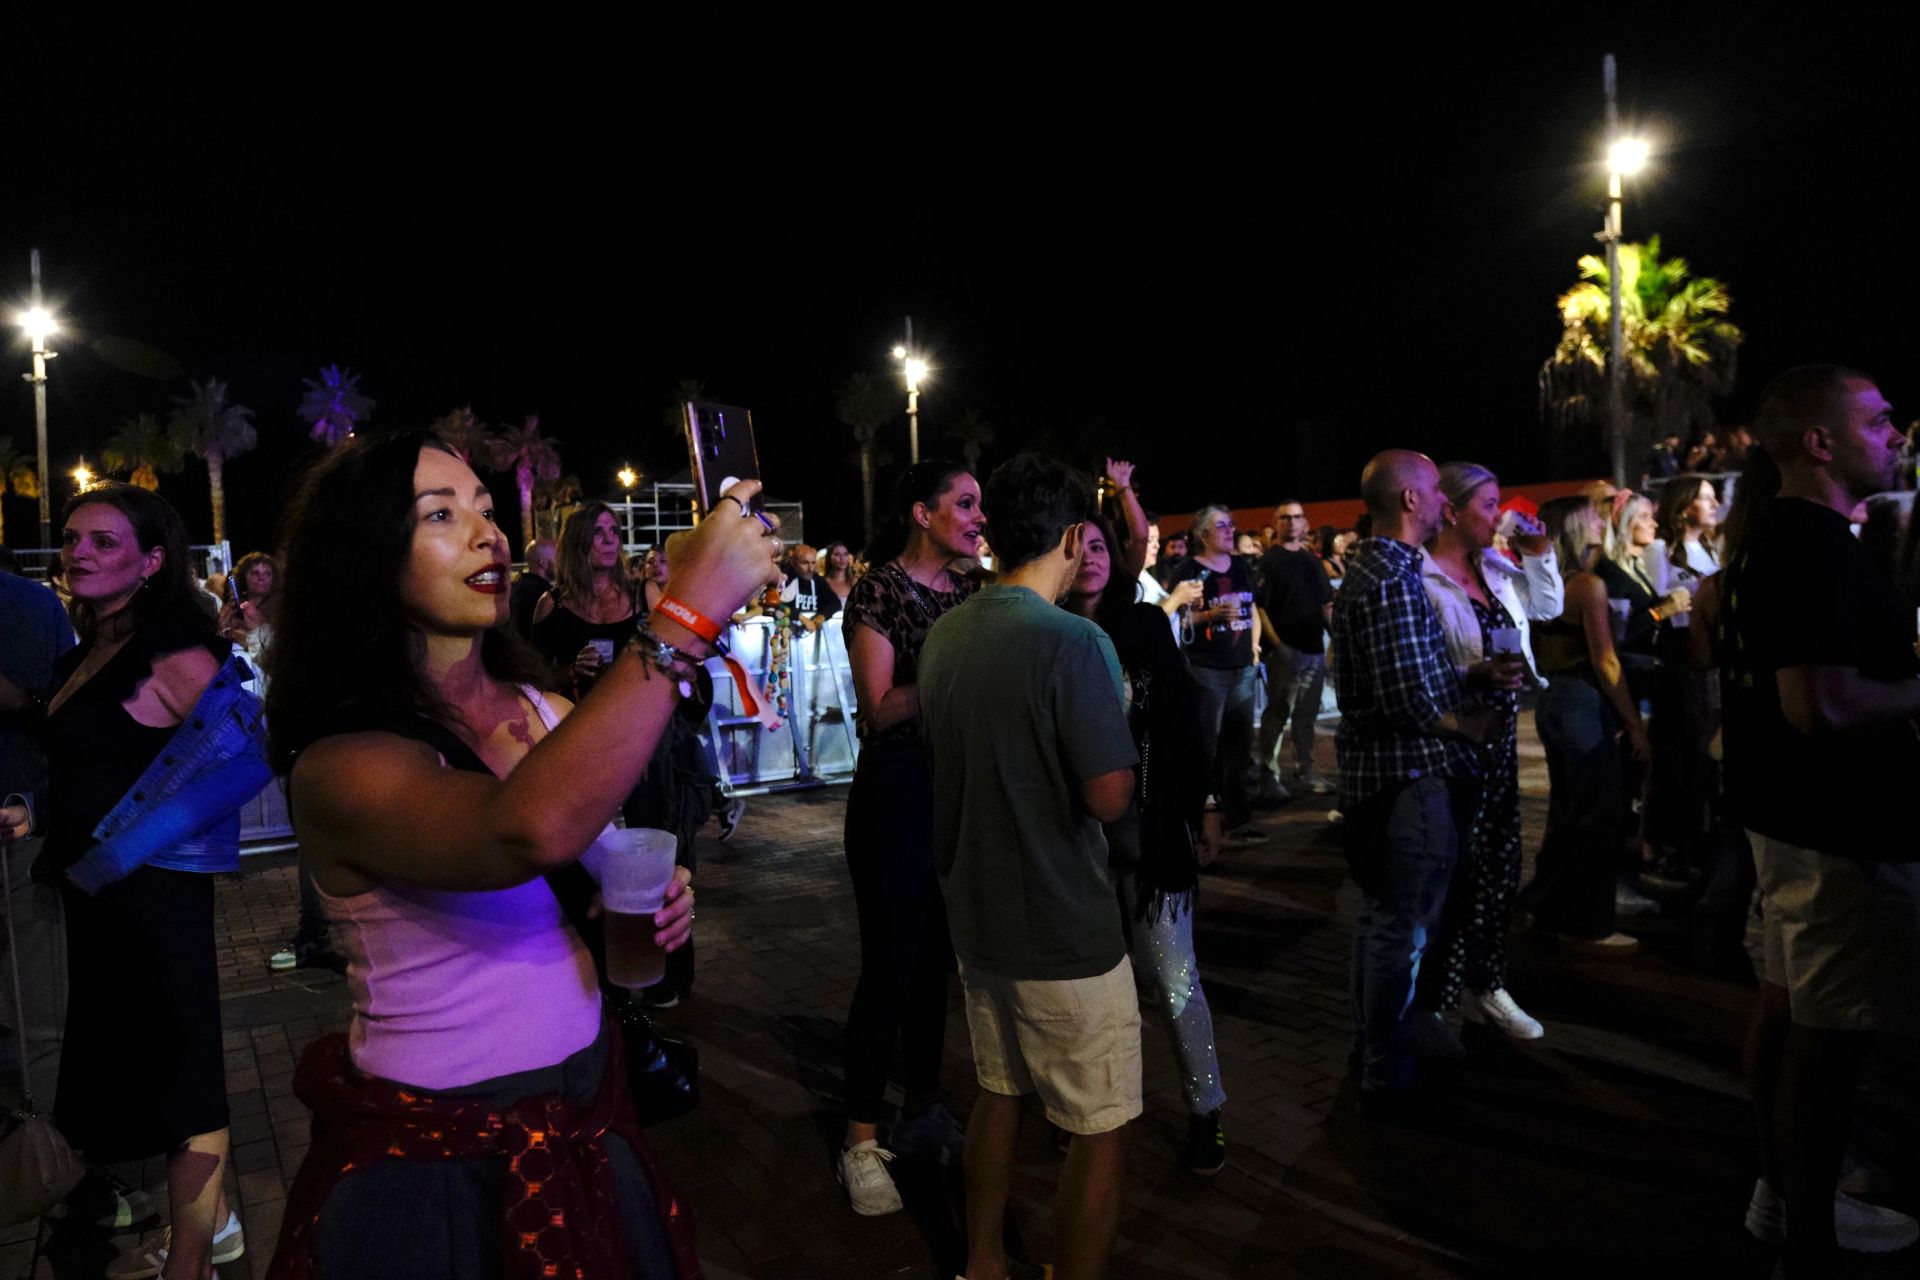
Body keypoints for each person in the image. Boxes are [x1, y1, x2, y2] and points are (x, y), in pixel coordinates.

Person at [260, 430, 776, 1278]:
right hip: (437, 1149)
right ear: (364, 556)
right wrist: (683, 614)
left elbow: (586, 847)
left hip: (584, 1104)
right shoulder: (342, 761)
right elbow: (521, 829)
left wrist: (646, 888)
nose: (487, 533)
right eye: (441, 513)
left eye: (488, 510)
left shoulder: (544, 708)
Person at [1, 483, 271, 1280]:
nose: (78, 551)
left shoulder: (175, 649)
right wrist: (33, 809)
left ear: (153, 561)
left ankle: (191, 1263)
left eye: (104, 541)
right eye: (73, 538)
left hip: (153, 898)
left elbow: (249, 757)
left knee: (185, 1083)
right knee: (143, 1075)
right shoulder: (89, 652)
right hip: (93, 898)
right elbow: (96, 763)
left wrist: (135, 843)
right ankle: (205, 1229)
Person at [920, 454, 1140, 1280]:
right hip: (1064, 926)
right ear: (1077, 537)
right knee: (1101, 1124)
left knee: (998, 1092)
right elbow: (1110, 796)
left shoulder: (948, 631)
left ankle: (983, 1259)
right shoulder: (1074, 643)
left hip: (978, 920)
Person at [1719, 367, 1920, 1269]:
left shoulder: (1782, 538)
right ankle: (1813, 1226)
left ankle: (1782, 1195)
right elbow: (1822, 707)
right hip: (1832, 829)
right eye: (1878, 422)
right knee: (1831, 1040)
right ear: (1820, 441)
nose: (1896, 435)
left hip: (1788, 820)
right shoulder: (1811, 543)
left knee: (1791, 1009)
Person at [1331, 451, 1513, 1111]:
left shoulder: (1388, 571)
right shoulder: (1389, 576)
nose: (1443, 498)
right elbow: (1408, 698)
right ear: (1410, 500)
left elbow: (1406, 679)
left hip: (1392, 776)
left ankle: (1374, 1053)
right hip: (1407, 777)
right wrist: (1468, 723)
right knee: (1399, 929)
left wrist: (1470, 677)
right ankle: (1385, 1067)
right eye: (1435, 488)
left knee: (1385, 923)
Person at [836, 460, 984, 1215]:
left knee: (936, 968)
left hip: (956, 799)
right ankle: (860, 1138)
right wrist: (961, 674)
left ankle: (923, 1106)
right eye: (965, 504)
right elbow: (878, 708)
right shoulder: (880, 590)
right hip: (896, 800)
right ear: (924, 514)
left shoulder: (974, 591)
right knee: (891, 967)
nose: (978, 517)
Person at [1066, 512, 1228, 1175]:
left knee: (1174, 976)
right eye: (1075, 548)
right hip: (1076, 844)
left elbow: (1185, 722)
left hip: (1156, 832)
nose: (1091, 558)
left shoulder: (1145, 624)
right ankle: (1090, 1111)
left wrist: (1206, 804)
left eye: (1101, 544)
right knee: (1087, 987)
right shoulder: (1051, 635)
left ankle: (1206, 1109)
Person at [1418, 464, 1562, 1041]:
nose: (1500, 515)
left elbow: (1548, 607)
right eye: (1488, 504)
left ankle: (1487, 984)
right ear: (1450, 511)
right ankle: (1431, 999)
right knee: (1449, 873)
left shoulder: (1496, 567)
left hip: (1499, 739)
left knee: (1500, 869)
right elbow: (1417, 673)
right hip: (1451, 743)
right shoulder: (1422, 578)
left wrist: (1538, 551)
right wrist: (1473, 672)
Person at [1516, 497, 1649, 956]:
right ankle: (1589, 923)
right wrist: (1634, 724)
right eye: (1592, 515)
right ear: (1574, 526)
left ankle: (1543, 904)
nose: (1601, 520)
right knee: (1598, 818)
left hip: (1551, 701)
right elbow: (1606, 660)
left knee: (1568, 814)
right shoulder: (1587, 586)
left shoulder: (1544, 585)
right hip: (1582, 701)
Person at [1168, 505, 1265, 843]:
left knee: (1239, 749)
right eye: (1221, 526)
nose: (1229, 530)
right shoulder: (1190, 570)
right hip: (1207, 670)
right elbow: (1179, 621)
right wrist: (1209, 617)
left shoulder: (1239, 565)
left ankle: (1238, 820)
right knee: (1205, 747)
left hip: (1242, 668)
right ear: (1203, 534)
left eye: (1230, 525)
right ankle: (1201, 822)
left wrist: (1254, 645)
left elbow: (1252, 606)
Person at [1255, 501, 1336, 799]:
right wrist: (1277, 645)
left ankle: (1306, 770)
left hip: (1313, 649)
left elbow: (1325, 604)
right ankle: (1269, 774)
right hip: (1284, 651)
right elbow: (1259, 607)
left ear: (1305, 523)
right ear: (1276, 523)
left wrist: (1334, 640)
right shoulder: (1270, 561)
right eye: (1285, 518)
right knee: (1277, 712)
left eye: (1297, 517)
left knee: (1306, 715)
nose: (1291, 523)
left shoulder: (1311, 560)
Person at [216, 551, 282, 661]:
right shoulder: (234, 608)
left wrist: (247, 639)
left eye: (267, 574)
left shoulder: (280, 609)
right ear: (243, 577)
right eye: (255, 573)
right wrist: (222, 630)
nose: (262, 578)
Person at [509, 536, 556, 638]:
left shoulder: (517, 587)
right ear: (543, 563)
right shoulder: (544, 596)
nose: (561, 563)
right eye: (557, 558)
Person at [818, 540, 856, 614]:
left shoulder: (855, 582)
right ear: (829, 558)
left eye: (845, 554)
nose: (842, 558)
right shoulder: (822, 583)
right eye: (837, 554)